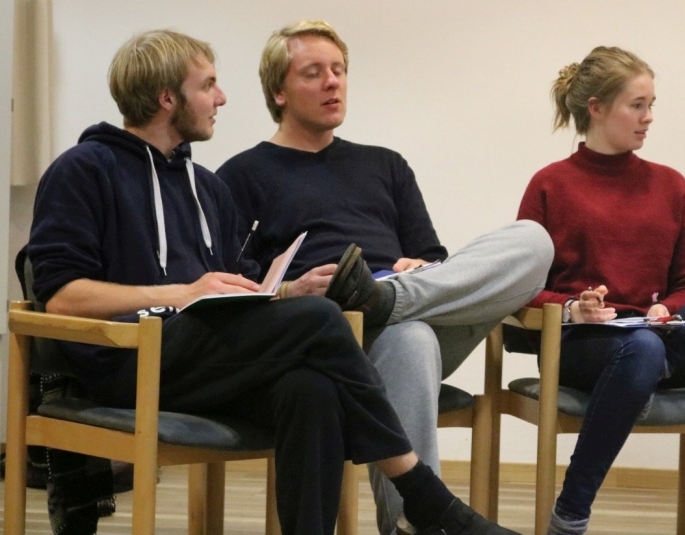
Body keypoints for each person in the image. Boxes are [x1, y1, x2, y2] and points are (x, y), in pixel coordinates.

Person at [26, 29, 521, 535]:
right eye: (208, 85)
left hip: (194, 359)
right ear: (167, 98)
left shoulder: (206, 188)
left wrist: (286, 291)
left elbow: (235, 290)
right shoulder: (84, 168)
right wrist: (182, 294)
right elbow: (61, 298)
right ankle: (424, 495)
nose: (222, 98)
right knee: (320, 319)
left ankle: (407, 505)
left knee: (313, 389)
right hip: (127, 359)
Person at [216, 20, 553, 535]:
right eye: (313, 73)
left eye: (339, 70)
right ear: (278, 92)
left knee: (533, 239)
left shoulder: (386, 165)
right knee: (410, 337)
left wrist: (416, 270)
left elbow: (437, 263)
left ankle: (385, 298)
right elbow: (234, 291)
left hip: (403, 303)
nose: (333, 82)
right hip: (327, 335)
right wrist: (289, 290)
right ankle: (410, 523)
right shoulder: (241, 175)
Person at [514, 46, 685, 535]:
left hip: (667, 340)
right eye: (637, 105)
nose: (648, 118)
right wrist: (572, 307)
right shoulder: (550, 184)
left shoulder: (671, 184)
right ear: (596, 108)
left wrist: (668, 307)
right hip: (582, 345)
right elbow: (519, 289)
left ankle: (643, 375)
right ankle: (571, 513)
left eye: (651, 105)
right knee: (641, 348)